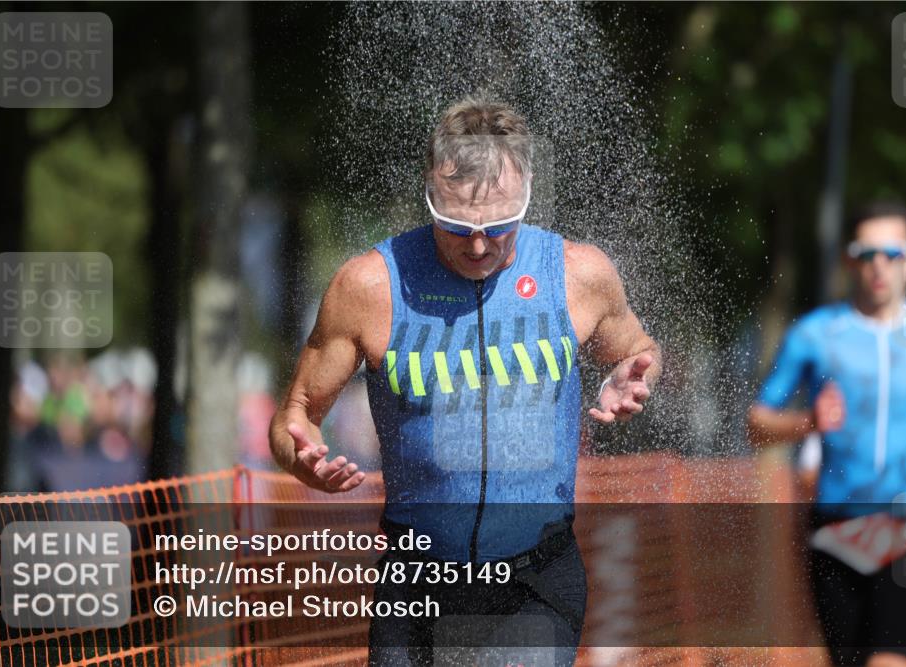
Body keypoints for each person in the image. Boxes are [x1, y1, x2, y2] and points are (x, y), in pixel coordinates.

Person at [270, 97, 661, 665]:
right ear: (430, 192)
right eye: (456, 226)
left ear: (526, 192)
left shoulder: (579, 275)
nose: (477, 245)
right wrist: (299, 455)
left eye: (498, 227)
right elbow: (295, 415)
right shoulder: (369, 286)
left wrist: (630, 375)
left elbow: (638, 351)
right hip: (415, 585)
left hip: (535, 578)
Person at [747, 201, 906, 667]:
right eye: (867, 253)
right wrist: (809, 422)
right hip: (837, 528)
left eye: (893, 253)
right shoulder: (814, 335)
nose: (880, 266)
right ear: (850, 260)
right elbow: (757, 423)